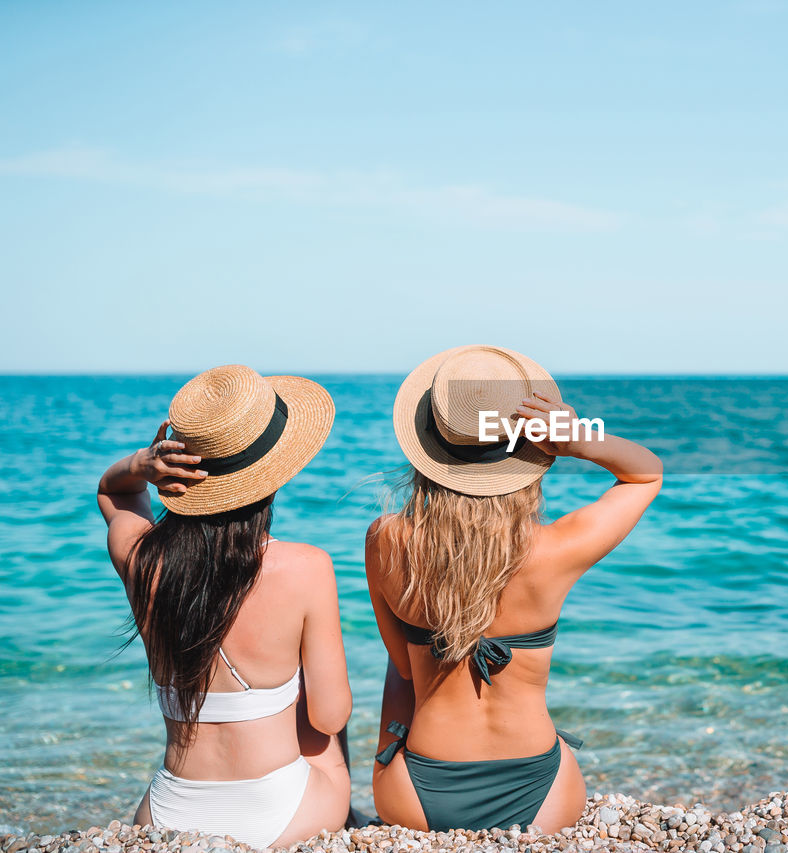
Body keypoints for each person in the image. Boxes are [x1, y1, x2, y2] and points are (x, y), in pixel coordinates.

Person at [367, 345, 662, 833]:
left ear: (429, 451)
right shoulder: (555, 550)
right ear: (528, 454)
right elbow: (645, 474)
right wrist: (581, 442)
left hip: (413, 797)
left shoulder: (387, 539)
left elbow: (401, 666)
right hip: (541, 795)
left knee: (402, 675)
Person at [97, 365, 352, 848]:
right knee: (326, 728)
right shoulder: (306, 566)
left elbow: (114, 492)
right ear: (274, 474)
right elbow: (330, 716)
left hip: (164, 814)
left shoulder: (140, 558)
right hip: (279, 813)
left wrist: (141, 465)